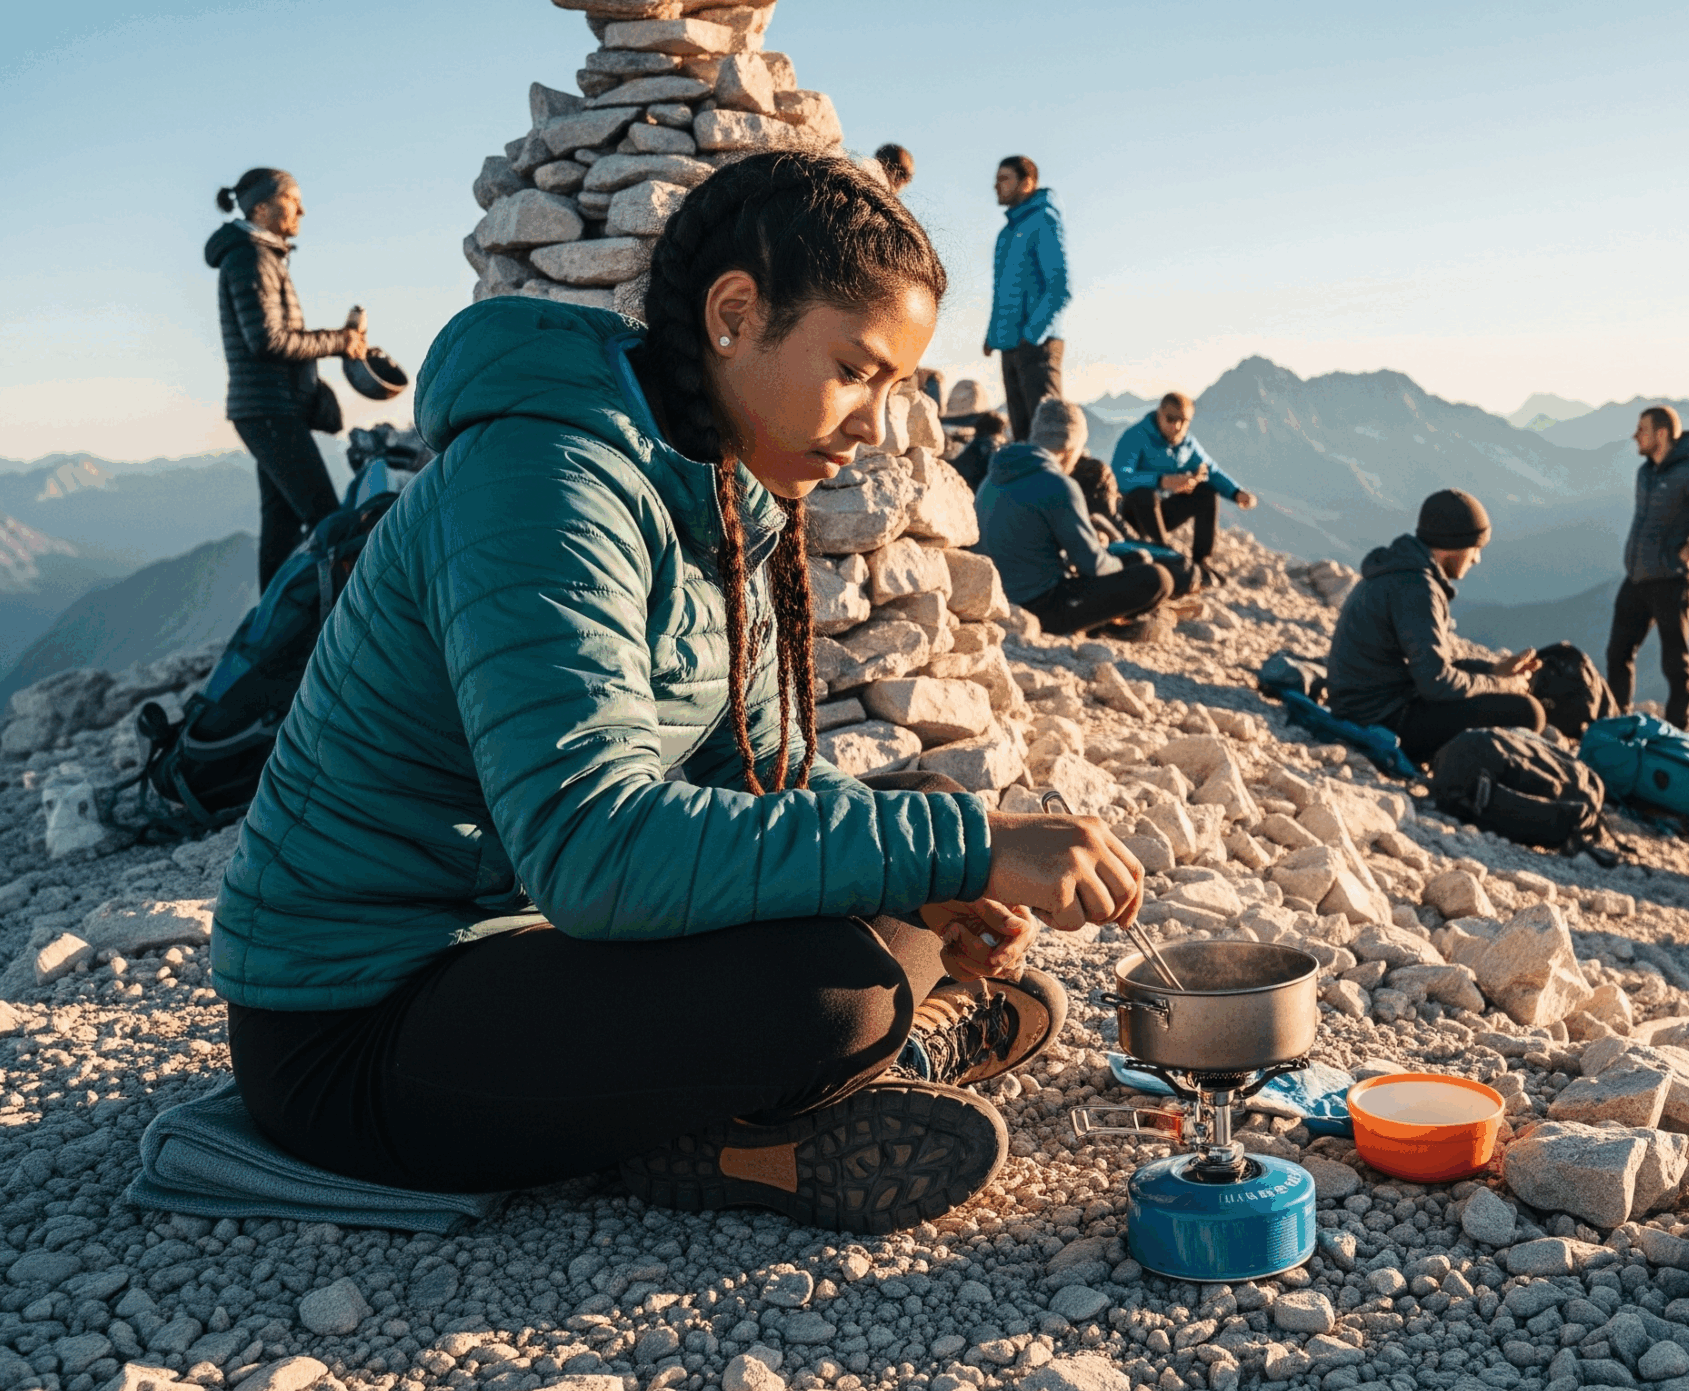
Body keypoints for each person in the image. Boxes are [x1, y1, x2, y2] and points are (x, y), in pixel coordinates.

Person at [213, 151, 1147, 1234]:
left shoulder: (714, 483)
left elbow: (756, 789)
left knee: (890, 931)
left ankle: (860, 1068)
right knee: (837, 990)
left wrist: (927, 888)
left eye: (893, 387)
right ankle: (798, 1106)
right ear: (736, 314)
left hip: (512, 948)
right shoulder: (544, 484)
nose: (871, 426)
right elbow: (589, 844)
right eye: (855, 370)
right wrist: (963, 843)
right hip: (355, 1027)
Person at [205, 167, 369, 586]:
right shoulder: (250, 257)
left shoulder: (261, 255)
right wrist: (340, 341)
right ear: (261, 206)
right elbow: (267, 341)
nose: (302, 209)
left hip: (268, 407)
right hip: (268, 408)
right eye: (292, 199)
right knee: (328, 520)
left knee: (280, 527)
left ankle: (270, 639)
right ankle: (340, 628)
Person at [1326, 490, 1547, 764]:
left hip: (1369, 706)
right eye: (1475, 548)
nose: (1476, 559)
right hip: (1384, 719)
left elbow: (1434, 665)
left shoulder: (1401, 570)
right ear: (1455, 545)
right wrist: (1498, 685)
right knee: (1528, 712)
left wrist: (1493, 669)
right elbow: (1437, 682)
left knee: (1507, 699)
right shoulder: (1418, 588)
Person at [974, 398, 1174, 638]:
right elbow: (1092, 565)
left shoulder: (994, 476)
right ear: (1071, 449)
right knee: (1158, 578)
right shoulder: (1058, 484)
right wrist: (1125, 563)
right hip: (1040, 607)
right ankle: (1106, 626)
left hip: (992, 601)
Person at [1606, 405, 1689, 733]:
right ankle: (1616, 724)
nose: (1635, 436)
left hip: (1672, 581)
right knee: (1617, 653)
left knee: (1674, 662)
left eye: (1642, 429)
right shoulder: (1645, 472)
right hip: (1637, 578)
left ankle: (1676, 732)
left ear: (1661, 434)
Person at [1111, 392, 1256, 586]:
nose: (1176, 426)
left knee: (1206, 492)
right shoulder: (1136, 436)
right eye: (1170, 419)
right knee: (1143, 494)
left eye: (1183, 421)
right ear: (1159, 414)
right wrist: (1162, 481)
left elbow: (1211, 471)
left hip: (1159, 515)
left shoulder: (1187, 444)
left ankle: (1200, 562)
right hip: (1131, 513)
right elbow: (1119, 476)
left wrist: (1237, 492)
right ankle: (1165, 556)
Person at [982, 156, 1069, 442]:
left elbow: (1059, 288)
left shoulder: (1043, 220)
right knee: (1021, 436)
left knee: (1047, 436)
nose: (996, 186)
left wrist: (1032, 335)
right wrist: (993, 336)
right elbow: (1004, 290)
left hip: (1038, 346)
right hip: (1011, 346)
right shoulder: (1007, 233)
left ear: (1027, 182)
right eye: (996, 179)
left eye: (1004, 179)